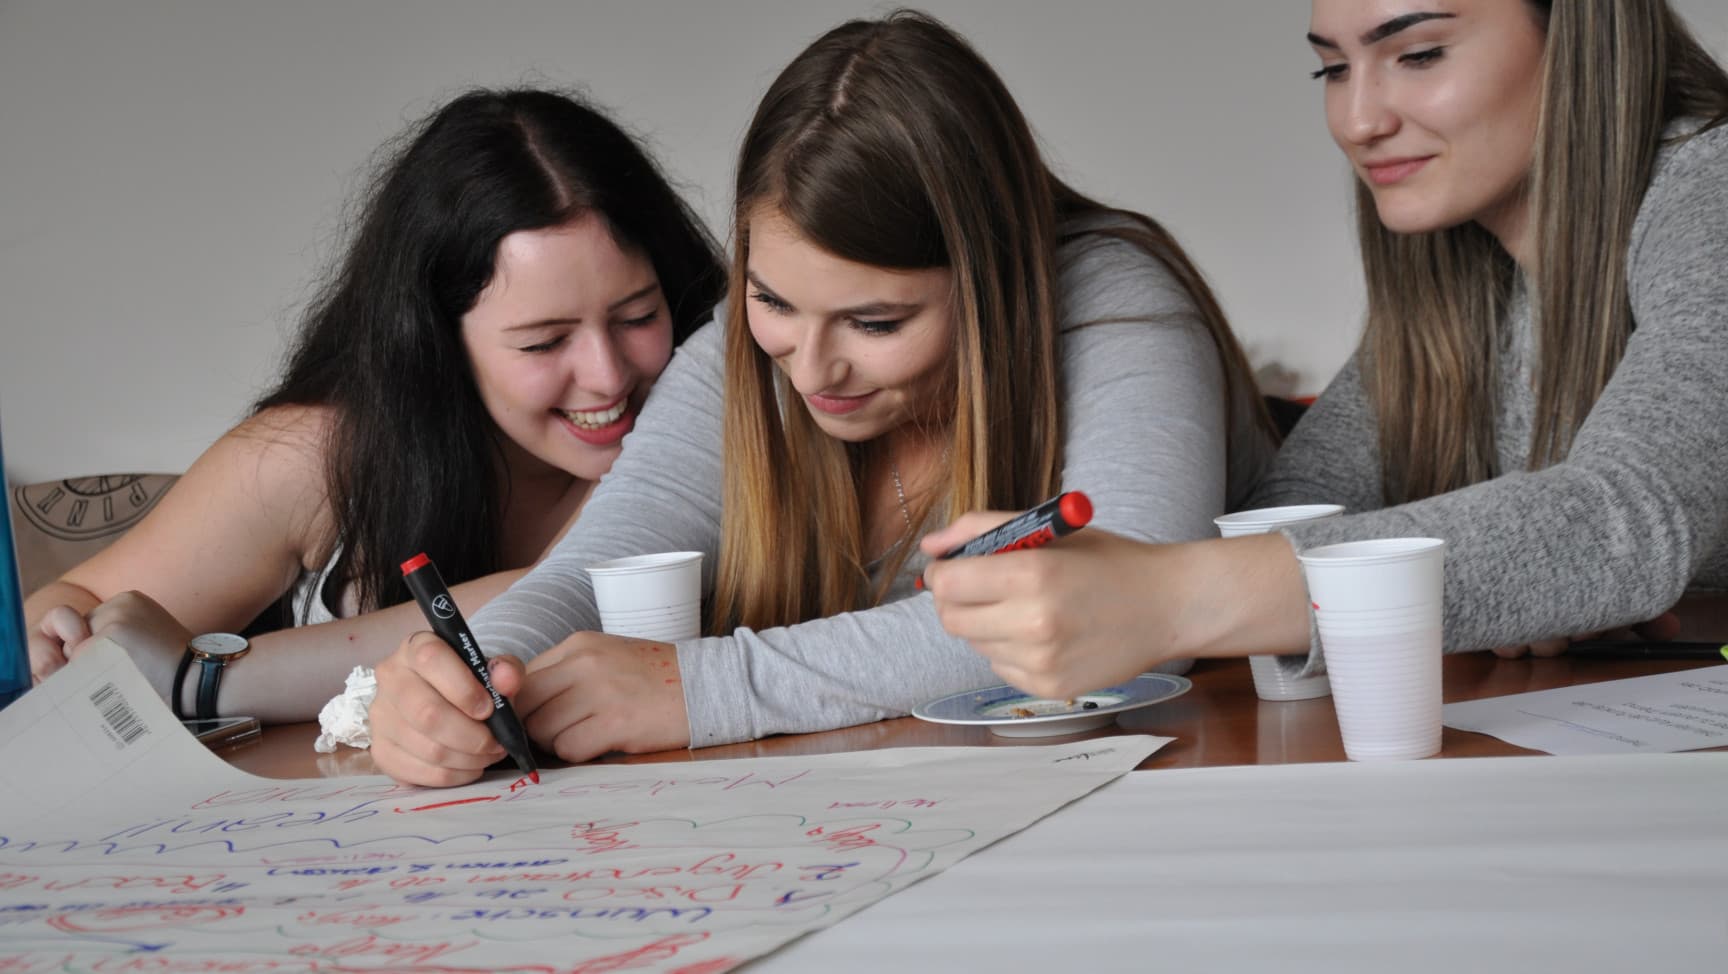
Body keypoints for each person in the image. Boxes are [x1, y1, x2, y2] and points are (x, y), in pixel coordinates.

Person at [367, 10, 1279, 787]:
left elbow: (1117, 616)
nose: (808, 370)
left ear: (991, 281)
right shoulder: (755, 344)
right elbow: (602, 561)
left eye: (876, 323)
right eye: (770, 301)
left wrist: (704, 690)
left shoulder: (1115, 299)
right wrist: (476, 672)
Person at [922, 0, 1728, 698]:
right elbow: (1299, 502)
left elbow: (1625, 515)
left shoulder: (1710, 190)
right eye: (1332, 70)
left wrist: (1170, 597)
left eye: (1418, 55)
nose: (1357, 121)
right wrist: (1538, 584)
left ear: (1582, 37)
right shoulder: (1459, 267)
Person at [22, 88, 725, 722]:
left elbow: (583, 589)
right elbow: (80, 614)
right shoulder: (314, 459)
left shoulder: (715, 422)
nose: (607, 377)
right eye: (544, 344)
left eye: (637, 317)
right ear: (435, 345)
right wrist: (58, 631)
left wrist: (210, 677)